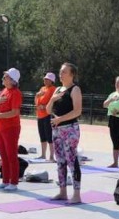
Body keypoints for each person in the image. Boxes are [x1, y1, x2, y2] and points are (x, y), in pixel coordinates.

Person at [47, 63, 83, 203]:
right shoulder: (57, 89)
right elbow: (48, 111)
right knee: (60, 161)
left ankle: (77, 194)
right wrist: (52, 99)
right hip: (57, 130)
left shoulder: (75, 90)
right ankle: (62, 191)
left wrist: (60, 119)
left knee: (71, 160)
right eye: (60, 72)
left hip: (70, 129)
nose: (60, 74)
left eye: (64, 72)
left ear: (72, 74)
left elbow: (77, 111)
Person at [0, 68, 23, 190]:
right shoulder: (4, 90)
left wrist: (0, 116)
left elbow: (15, 112)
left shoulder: (15, 93)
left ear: (12, 80)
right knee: (3, 156)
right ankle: (5, 180)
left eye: (6, 76)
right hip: (0, 127)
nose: (3, 77)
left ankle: (14, 182)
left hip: (10, 128)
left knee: (11, 155)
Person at [34, 72, 56, 160]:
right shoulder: (42, 88)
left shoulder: (53, 89)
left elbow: (53, 101)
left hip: (48, 115)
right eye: (45, 79)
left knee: (49, 135)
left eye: (47, 79)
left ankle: (51, 156)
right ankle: (43, 154)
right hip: (40, 115)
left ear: (52, 81)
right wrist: (36, 96)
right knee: (42, 135)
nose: (45, 80)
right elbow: (36, 102)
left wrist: (45, 106)